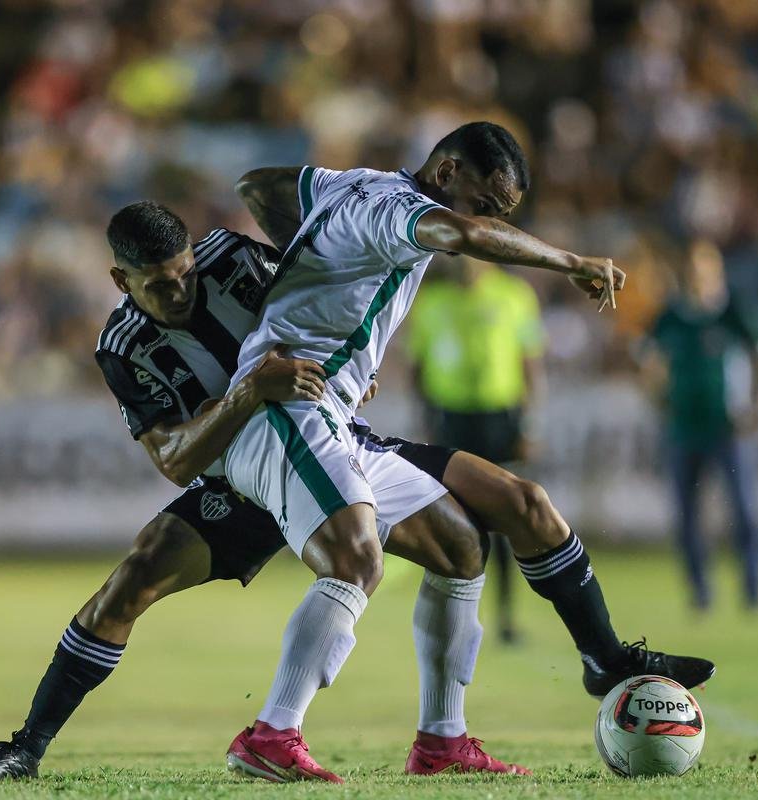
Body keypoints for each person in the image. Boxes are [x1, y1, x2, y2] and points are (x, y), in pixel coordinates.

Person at [0, 211, 532, 782]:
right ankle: (25, 749)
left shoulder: (234, 259)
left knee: (460, 543)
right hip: (237, 483)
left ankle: (442, 741)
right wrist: (248, 391)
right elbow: (175, 460)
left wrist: (350, 367)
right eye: (159, 285)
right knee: (132, 580)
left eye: (186, 274)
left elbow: (327, 305)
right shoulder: (124, 346)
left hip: (323, 448)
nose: (180, 291)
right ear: (120, 280)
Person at [226, 121, 713, 781]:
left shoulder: (351, 186)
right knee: (355, 558)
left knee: (501, 515)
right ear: (447, 172)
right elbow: (464, 235)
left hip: (334, 414)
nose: (488, 222)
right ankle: (271, 732)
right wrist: (570, 262)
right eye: (485, 204)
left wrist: (314, 270)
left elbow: (258, 186)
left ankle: (504, 710)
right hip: (284, 411)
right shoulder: (396, 207)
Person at [638, 240, 758, 611]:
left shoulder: (735, 311)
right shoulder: (671, 316)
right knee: (687, 517)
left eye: (704, 269)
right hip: (683, 430)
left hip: (729, 430)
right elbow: (648, 362)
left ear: (717, 272)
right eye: (692, 269)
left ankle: (753, 588)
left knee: (746, 511)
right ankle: (700, 591)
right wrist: (658, 398)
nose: (697, 276)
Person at [406, 256, 545, 643]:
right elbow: (418, 367)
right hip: (451, 419)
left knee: (508, 519)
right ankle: (454, 616)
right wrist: (426, 422)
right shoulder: (431, 300)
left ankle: (505, 615)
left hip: (500, 420)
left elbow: (530, 363)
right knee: (450, 521)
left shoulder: (514, 295)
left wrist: (530, 425)